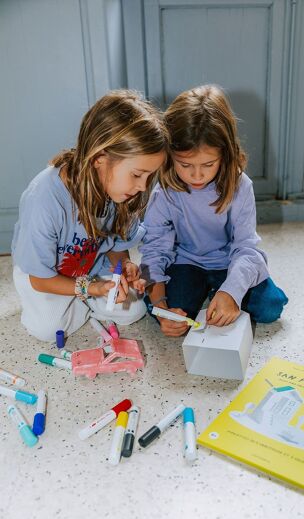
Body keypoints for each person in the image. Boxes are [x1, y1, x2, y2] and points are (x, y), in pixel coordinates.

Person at [12, 90, 168, 341]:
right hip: (47, 275)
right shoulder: (44, 199)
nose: (143, 186)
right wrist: (93, 289)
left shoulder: (121, 192)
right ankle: (79, 304)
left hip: (89, 263)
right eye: (138, 175)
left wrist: (125, 265)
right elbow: (40, 279)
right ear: (99, 158)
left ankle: (82, 304)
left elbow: (115, 245)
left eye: (149, 177)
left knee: (135, 309)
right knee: (48, 329)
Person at [139, 85, 288, 337]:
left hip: (229, 261)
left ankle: (218, 290)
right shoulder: (163, 193)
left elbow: (247, 248)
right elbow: (153, 251)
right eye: (185, 164)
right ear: (169, 155)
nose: (197, 175)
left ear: (225, 154)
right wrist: (160, 306)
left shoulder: (241, 186)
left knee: (270, 308)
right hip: (184, 262)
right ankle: (200, 292)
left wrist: (230, 291)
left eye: (208, 164)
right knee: (169, 309)